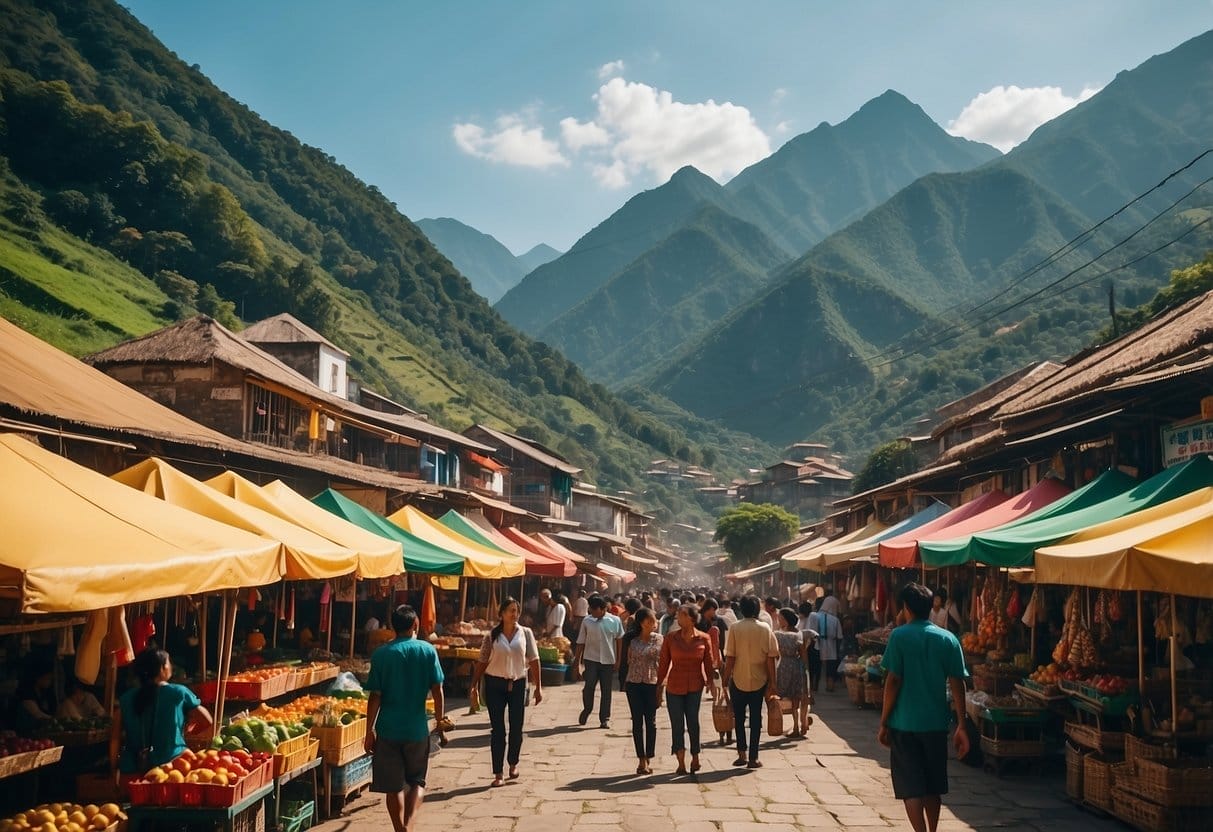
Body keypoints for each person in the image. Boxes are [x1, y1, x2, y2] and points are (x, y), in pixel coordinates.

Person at [879, 584, 970, 832]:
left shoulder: (899, 636)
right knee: (932, 786)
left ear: (905, 607)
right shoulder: (948, 639)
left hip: (904, 723)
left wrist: (884, 720)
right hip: (935, 724)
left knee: (911, 788)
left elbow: (893, 681)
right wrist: (962, 725)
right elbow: (957, 682)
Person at [365, 605, 445, 832]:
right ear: (415, 626)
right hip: (417, 729)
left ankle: (399, 827)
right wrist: (440, 720)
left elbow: (375, 697)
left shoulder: (381, 654)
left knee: (393, 786)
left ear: (392, 627)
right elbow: (438, 689)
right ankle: (408, 825)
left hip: (388, 729)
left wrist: (368, 730)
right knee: (417, 782)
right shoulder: (428, 650)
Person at [469, 598, 542, 788]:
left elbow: (534, 660)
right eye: (510, 610)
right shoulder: (491, 636)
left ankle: (513, 763)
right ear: (501, 613)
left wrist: (538, 687)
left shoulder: (525, 634)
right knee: (498, 730)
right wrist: (474, 685)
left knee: (516, 728)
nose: (514, 614)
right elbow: (482, 661)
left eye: (516, 610)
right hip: (494, 685)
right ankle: (498, 772)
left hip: (518, 684)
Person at [111, 649, 212, 783]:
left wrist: (113, 769)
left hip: (133, 774)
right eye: (169, 662)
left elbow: (114, 739)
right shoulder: (178, 692)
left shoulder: (126, 699)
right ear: (163, 668)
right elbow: (207, 720)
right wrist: (185, 734)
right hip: (173, 771)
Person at [721, 595, 778, 769]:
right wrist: (773, 683)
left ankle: (741, 753)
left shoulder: (735, 628)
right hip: (759, 680)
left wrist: (725, 679)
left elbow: (730, 656)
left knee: (738, 718)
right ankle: (753, 757)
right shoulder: (765, 628)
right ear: (756, 610)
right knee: (755, 719)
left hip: (737, 679)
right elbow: (771, 659)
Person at [657, 604, 714, 775]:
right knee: (677, 724)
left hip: (695, 686)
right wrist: (659, 685)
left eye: (681, 615)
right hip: (674, 686)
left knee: (693, 722)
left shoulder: (703, 638)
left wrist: (711, 682)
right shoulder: (671, 638)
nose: (677, 618)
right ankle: (680, 761)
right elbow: (664, 664)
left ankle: (695, 756)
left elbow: (709, 662)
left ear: (691, 618)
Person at [575, 594, 624, 729]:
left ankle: (604, 718)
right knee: (588, 687)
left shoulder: (615, 621)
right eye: (590, 608)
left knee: (606, 690)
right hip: (591, 659)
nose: (591, 611)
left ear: (602, 609)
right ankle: (587, 709)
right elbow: (580, 642)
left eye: (593, 609)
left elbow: (619, 640)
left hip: (608, 660)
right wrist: (576, 662)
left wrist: (619, 660)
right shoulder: (587, 621)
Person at [623, 608, 662, 775]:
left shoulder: (660, 640)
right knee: (637, 722)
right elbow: (628, 661)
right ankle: (641, 760)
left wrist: (661, 688)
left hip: (652, 684)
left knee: (651, 722)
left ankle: (649, 756)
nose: (651, 624)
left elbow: (663, 663)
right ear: (641, 623)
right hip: (634, 683)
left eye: (653, 621)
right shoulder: (632, 641)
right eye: (648, 622)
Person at [775, 609, 811, 737]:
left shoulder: (778, 634)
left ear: (785, 619)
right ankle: (799, 725)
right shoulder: (799, 634)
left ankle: (796, 726)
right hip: (796, 666)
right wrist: (805, 671)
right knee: (797, 697)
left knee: (787, 696)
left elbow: (775, 653)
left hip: (783, 666)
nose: (778, 620)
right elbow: (803, 655)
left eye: (780, 618)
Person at [13, 654, 57, 733]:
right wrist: (55, 720)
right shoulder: (26, 692)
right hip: (25, 731)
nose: (49, 681)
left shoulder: (44, 692)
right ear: (38, 677)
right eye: (47, 678)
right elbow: (37, 713)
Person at [812, 601, 844, 692]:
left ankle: (814, 686)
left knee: (816, 667)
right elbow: (839, 636)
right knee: (831, 666)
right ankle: (830, 685)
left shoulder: (815, 616)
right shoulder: (835, 619)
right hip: (831, 647)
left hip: (817, 645)